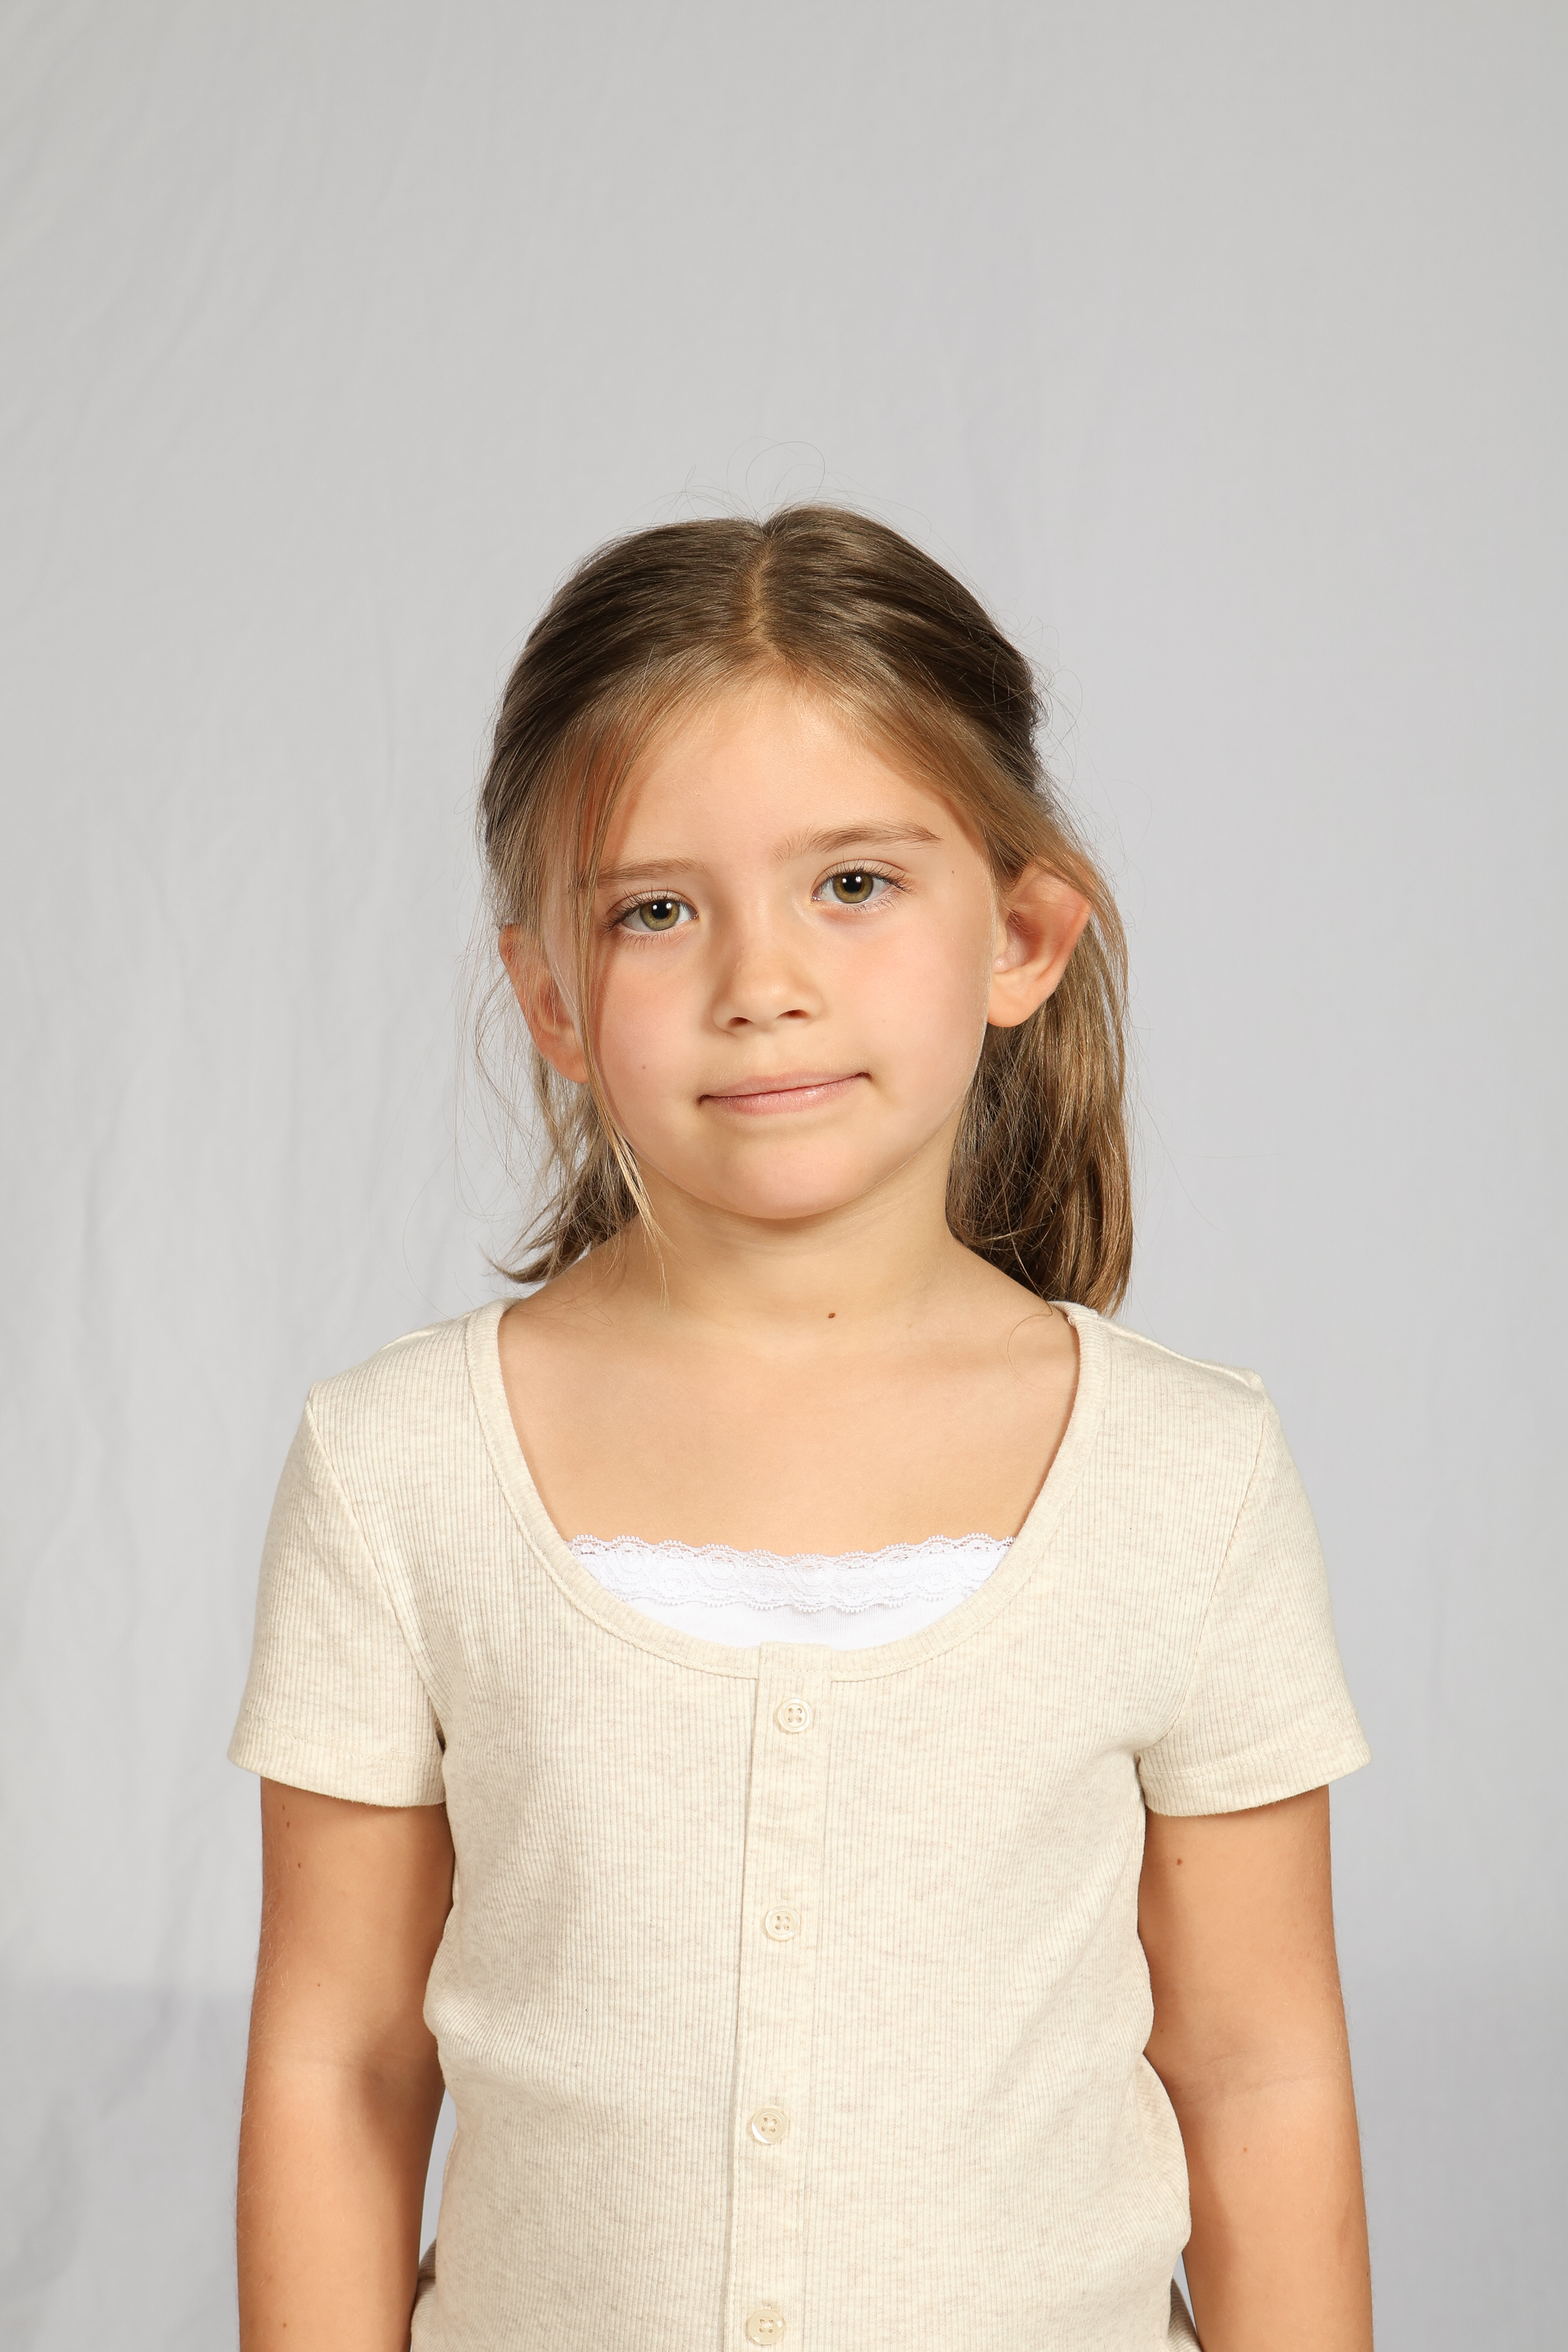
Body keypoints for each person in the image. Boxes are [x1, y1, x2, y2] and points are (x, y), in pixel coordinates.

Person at [231, 508, 1374, 2352]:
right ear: (553, 999)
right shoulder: (400, 1470)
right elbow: (338, 2066)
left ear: (1022, 936)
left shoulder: (1189, 1476)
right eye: (657, 910)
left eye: (853, 883)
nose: (761, 982)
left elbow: (1261, 2072)